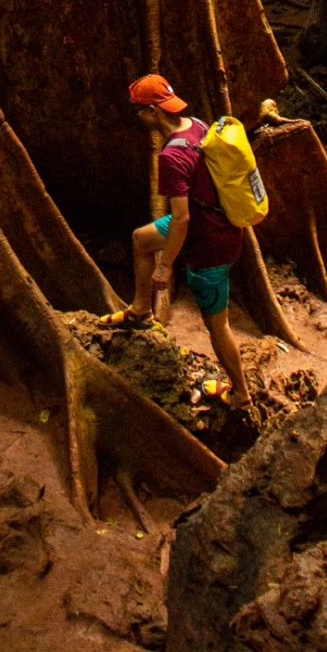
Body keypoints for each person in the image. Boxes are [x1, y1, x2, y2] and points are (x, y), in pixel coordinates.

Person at [100, 72, 255, 413]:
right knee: (141, 239)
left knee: (218, 326)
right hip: (217, 221)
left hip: (211, 242)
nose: (137, 118)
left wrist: (165, 266)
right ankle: (141, 309)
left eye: (137, 111)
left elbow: (182, 219)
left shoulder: (171, 157)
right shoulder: (197, 125)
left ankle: (241, 392)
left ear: (154, 111)